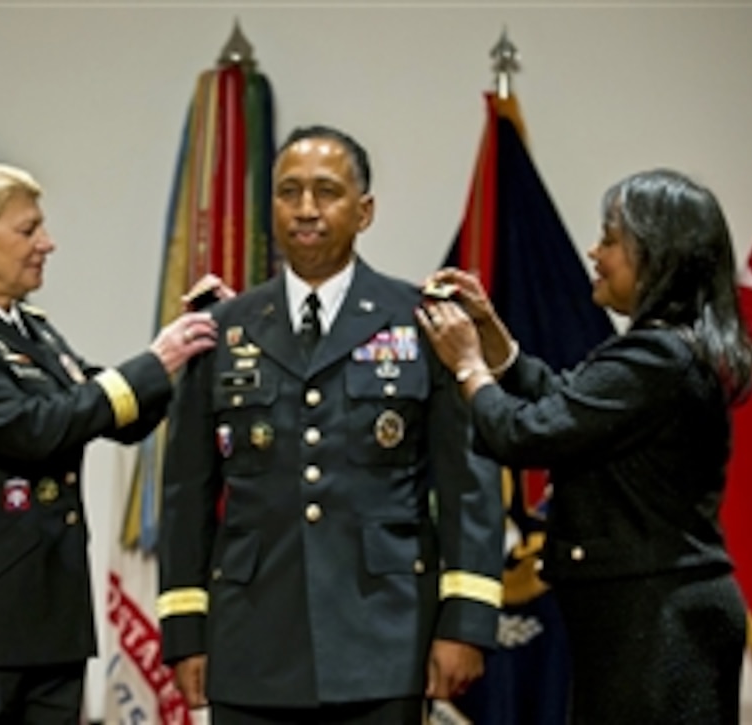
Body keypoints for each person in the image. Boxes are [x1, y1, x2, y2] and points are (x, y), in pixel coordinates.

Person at [156, 125, 505, 724]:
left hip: (385, 635)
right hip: (252, 639)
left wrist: (466, 622)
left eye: (326, 192)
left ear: (364, 211)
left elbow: (467, 485)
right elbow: (188, 491)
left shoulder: (419, 319)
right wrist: (186, 630)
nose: (306, 210)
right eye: (289, 192)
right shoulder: (224, 327)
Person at [0, 159, 217, 723]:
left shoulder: (31, 330)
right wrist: (154, 362)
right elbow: (33, 430)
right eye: (28, 229)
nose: (48, 243)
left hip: (50, 627)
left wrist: (183, 352)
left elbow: (118, 417)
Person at [417, 168, 752, 724]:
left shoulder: (657, 359)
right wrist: (495, 338)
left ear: (656, 254)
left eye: (611, 239)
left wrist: (468, 366)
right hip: (647, 616)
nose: (594, 252)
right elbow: (568, 403)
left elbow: (525, 433)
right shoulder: (664, 353)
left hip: (656, 623)